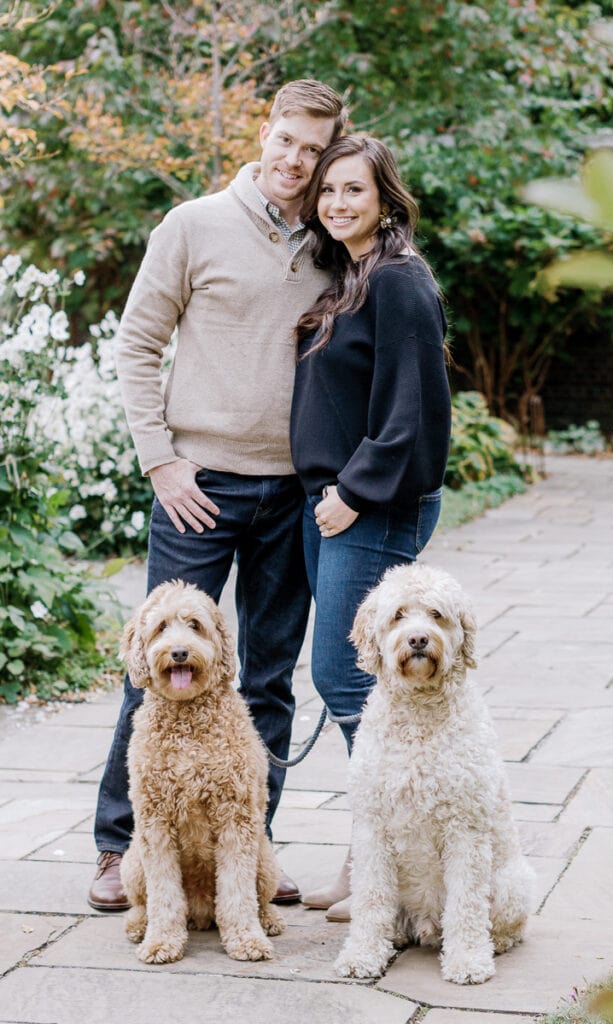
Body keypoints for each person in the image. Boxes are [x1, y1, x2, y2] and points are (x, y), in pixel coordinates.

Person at [87, 80, 348, 912]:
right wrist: (160, 462)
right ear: (262, 133)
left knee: (265, 678)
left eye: (313, 149)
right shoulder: (193, 225)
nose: (296, 160)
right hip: (196, 484)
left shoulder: (332, 244)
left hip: (291, 494)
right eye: (286, 140)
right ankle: (117, 845)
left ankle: (250, 852)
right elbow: (136, 343)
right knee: (156, 667)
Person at [289, 135, 453, 922]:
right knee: (353, 678)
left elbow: (414, 407)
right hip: (335, 503)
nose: (337, 203)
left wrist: (353, 490)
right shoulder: (352, 277)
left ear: (385, 197)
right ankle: (377, 856)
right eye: (328, 191)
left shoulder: (398, 281)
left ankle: (378, 861)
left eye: (353, 190)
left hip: (373, 504)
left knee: (345, 675)